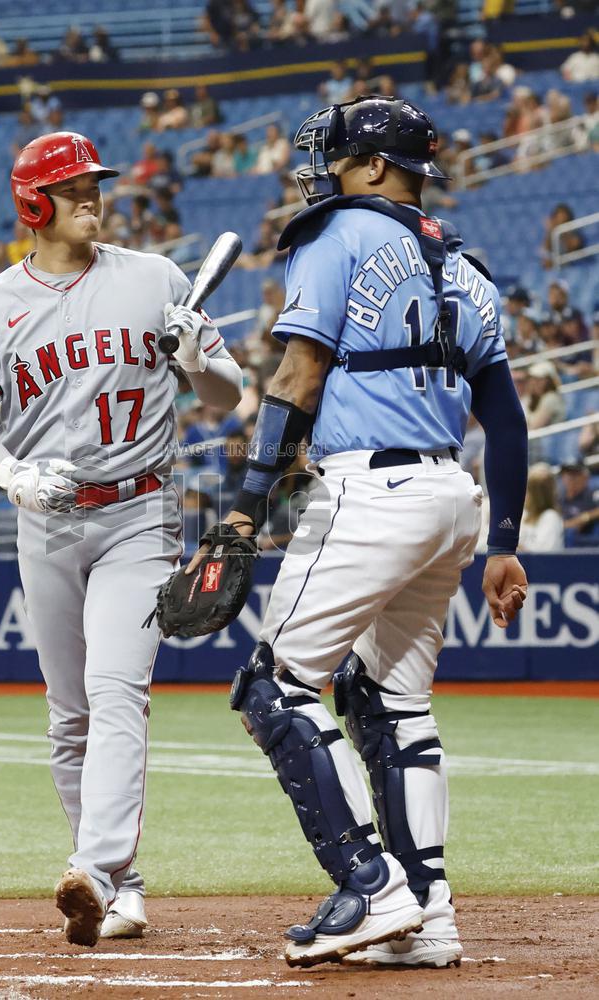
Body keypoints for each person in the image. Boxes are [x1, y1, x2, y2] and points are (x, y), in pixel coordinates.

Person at [188, 96, 528, 969]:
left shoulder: (334, 233)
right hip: (449, 496)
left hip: (369, 491)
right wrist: (503, 543)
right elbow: (507, 415)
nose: (322, 170)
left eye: (335, 156)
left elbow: (298, 375)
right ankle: (432, 915)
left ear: (375, 166)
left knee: (274, 687)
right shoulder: (467, 264)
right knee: (391, 703)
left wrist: (240, 511)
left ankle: (370, 886)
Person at [0, 131, 242, 947]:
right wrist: (11, 475)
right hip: (45, 519)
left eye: (94, 184)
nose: (91, 197)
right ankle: (122, 885)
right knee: (69, 717)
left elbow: (227, 397)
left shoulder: (154, 279)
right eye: (72, 188)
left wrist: (193, 360)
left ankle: (94, 869)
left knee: (115, 693)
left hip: (139, 513)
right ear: (33, 204)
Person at [519, 463, 564, 551]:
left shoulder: (551, 517)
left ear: (537, 496)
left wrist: (515, 548)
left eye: (527, 491)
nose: (523, 496)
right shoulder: (523, 515)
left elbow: (544, 553)